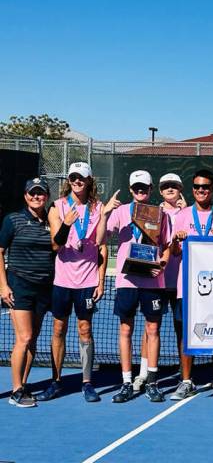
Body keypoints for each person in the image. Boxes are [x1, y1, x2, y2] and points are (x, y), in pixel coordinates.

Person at [97, 170, 171, 403]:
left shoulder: (161, 214)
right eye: (136, 188)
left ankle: (152, 382)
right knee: (126, 331)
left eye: (144, 188)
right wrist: (105, 214)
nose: (140, 191)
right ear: (131, 190)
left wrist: (163, 262)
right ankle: (127, 382)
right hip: (126, 281)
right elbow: (100, 240)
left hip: (152, 279)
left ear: (150, 190)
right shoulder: (119, 212)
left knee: (153, 331)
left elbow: (167, 245)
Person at [36, 162, 107, 403]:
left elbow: (101, 245)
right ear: (69, 180)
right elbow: (56, 245)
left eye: (81, 177)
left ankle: (87, 382)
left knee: (85, 329)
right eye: (73, 177)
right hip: (62, 280)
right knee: (58, 329)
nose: (77, 181)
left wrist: (100, 281)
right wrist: (67, 223)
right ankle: (56, 381)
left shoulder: (98, 208)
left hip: (87, 280)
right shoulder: (57, 207)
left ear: (89, 180)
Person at [170, 169, 213, 402]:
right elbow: (174, 252)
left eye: (205, 187)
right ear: (192, 189)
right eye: (197, 187)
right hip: (186, 285)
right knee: (187, 334)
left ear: (212, 189)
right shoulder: (182, 216)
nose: (201, 191)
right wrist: (177, 241)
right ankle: (186, 381)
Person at [1, 178, 53, 408]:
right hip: (19, 285)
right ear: (25, 196)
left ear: (47, 197)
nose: (36, 197)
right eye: (32, 193)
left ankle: (22, 385)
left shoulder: (53, 221)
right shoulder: (13, 220)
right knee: (24, 337)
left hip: (44, 288)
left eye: (40, 193)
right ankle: (16, 390)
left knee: (33, 340)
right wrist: (3, 285)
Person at [133, 172, 187, 393]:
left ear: (180, 189)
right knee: (150, 329)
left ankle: (185, 376)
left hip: (181, 280)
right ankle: (143, 373)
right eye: (166, 186)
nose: (170, 189)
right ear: (160, 190)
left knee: (181, 329)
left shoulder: (189, 213)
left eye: (174, 186)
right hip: (157, 279)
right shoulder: (152, 212)